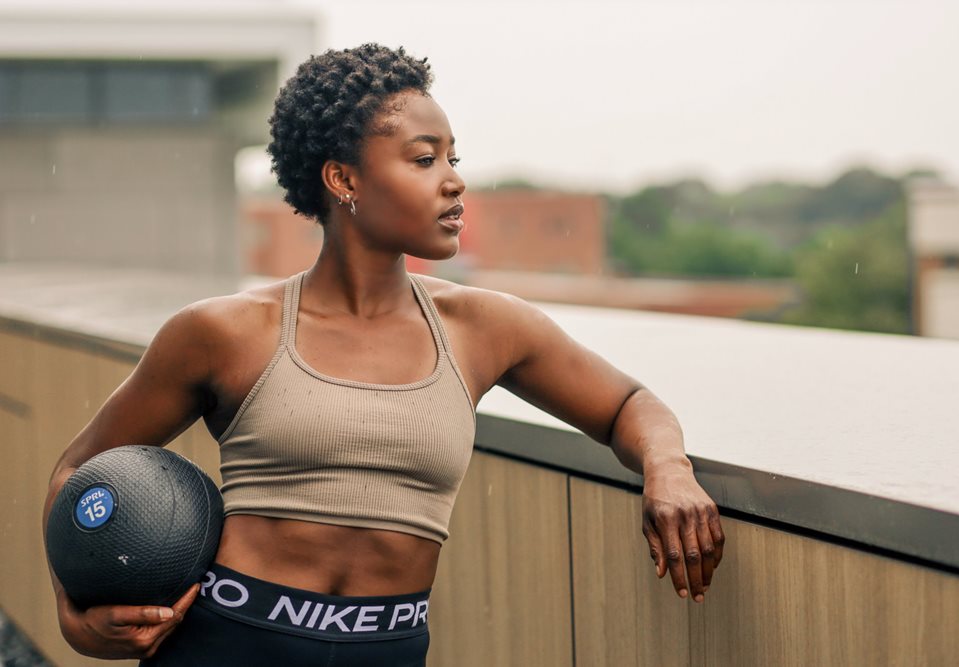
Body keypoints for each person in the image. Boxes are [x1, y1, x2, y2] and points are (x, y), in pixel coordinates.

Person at [43, 43, 724, 666]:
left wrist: (668, 468)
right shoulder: (225, 331)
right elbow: (79, 464)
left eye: (454, 158)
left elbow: (629, 405)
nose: (454, 181)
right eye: (425, 159)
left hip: (390, 649)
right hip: (227, 641)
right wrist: (75, 614)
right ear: (344, 179)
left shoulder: (484, 327)